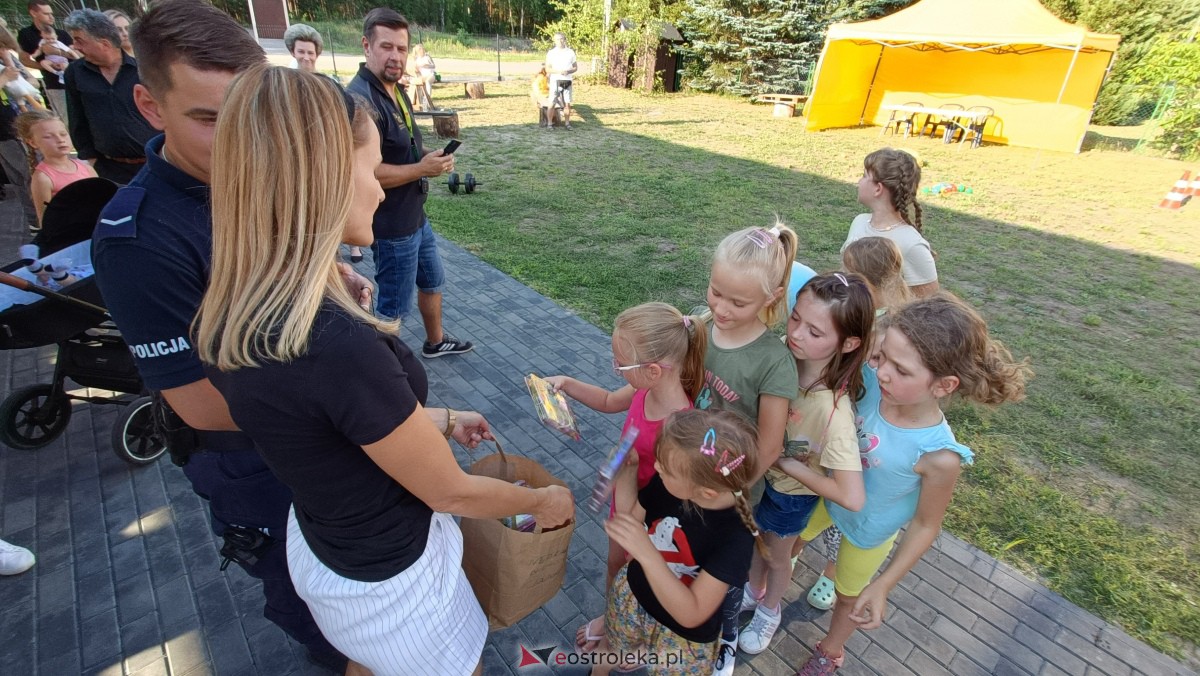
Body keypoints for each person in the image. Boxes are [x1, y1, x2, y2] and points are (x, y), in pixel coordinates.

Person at [195, 64, 575, 675]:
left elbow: (331, 425)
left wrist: (441, 418)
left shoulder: (241, 307)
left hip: (327, 550)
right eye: (369, 172)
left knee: (369, 660)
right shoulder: (334, 344)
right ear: (318, 182)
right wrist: (544, 499)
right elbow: (449, 491)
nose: (380, 189)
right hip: (394, 575)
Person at [91, 1, 347, 670]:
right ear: (149, 105)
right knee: (328, 623)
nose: (239, 141)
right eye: (208, 120)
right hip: (259, 467)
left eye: (249, 116)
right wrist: (361, 411)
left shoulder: (251, 176)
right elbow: (200, 403)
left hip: (328, 438)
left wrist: (333, 282)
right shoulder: (138, 239)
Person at [792, 293, 1030, 675]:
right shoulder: (871, 379)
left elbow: (925, 525)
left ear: (943, 385)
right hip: (824, 494)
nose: (882, 371)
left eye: (901, 371)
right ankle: (769, 597)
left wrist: (884, 584)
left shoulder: (939, 455)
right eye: (881, 357)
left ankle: (831, 650)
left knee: (847, 598)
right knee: (789, 540)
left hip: (869, 532)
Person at [543, 302, 707, 653]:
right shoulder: (643, 389)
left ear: (652, 370)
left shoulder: (680, 426)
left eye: (620, 363)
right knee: (614, 564)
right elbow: (605, 399)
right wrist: (567, 383)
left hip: (649, 520)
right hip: (624, 501)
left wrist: (629, 472)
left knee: (636, 579)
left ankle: (623, 636)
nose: (616, 369)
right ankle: (611, 617)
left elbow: (676, 495)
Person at [737, 272, 873, 655]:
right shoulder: (782, 352)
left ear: (848, 343)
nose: (795, 334)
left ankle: (768, 610)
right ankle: (753, 590)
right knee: (756, 543)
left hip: (789, 495)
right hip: (760, 480)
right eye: (795, 318)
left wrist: (784, 464)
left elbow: (852, 496)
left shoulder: (834, 413)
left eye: (815, 332)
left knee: (777, 557)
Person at [697, 221, 799, 676]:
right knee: (688, 554)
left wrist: (730, 491)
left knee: (727, 576)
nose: (720, 307)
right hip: (690, 471)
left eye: (738, 302)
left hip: (735, 495)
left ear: (772, 298)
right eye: (716, 291)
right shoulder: (701, 325)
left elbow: (771, 444)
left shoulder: (773, 362)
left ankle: (725, 643)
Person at [589, 408, 763, 675]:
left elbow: (692, 613)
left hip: (683, 638)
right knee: (610, 647)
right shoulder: (667, 485)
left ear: (705, 491)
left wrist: (647, 554)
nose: (656, 467)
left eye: (665, 467)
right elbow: (631, 523)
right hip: (634, 598)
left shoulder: (735, 537)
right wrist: (627, 473)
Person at [348, 8, 474, 358]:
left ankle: (435, 342)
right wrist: (421, 169)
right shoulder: (361, 101)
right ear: (366, 46)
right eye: (386, 47)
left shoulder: (396, 89)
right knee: (392, 307)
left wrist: (430, 156)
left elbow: (405, 146)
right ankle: (383, 370)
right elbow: (366, 172)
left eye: (402, 49)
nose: (396, 56)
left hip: (416, 217)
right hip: (391, 227)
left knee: (433, 282)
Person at [284, 22, 363, 265]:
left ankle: (346, 248)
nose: (306, 57)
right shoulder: (284, 83)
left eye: (310, 52)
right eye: (301, 51)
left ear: (317, 54)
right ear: (293, 51)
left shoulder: (327, 83)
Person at [62, 9, 155, 185]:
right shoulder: (75, 73)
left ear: (104, 43)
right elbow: (77, 118)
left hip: (152, 164)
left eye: (79, 40)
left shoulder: (144, 69)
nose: (75, 46)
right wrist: (90, 160)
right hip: (108, 170)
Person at [842, 148, 939, 297]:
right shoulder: (859, 222)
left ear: (878, 189)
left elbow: (927, 303)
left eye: (864, 176)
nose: (859, 181)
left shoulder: (911, 244)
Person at [16, 109, 97, 225]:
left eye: (63, 134)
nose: (60, 140)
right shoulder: (43, 178)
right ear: (33, 143)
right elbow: (45, 220)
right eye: (49, 137)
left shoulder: (86, 167)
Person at [17, 1, 76, 123]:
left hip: (74, 79)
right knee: (64, 119)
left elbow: (79, 56)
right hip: (54, 83)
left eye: (51, 13)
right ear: (34, 13)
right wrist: (46, 66)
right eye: (46, 13)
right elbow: (24, 60)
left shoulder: (61, 34)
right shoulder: (26, 34)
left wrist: (57, 52)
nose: (51, 17)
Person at [0, 64, 39, 235]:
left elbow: (33, 83)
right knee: (26, 176)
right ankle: (37, 222)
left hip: (20, 127)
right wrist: (4, 79)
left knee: (30, 175)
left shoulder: (6, 62)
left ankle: (39, 221)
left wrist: (20, 79)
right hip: (6, 134)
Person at [0, 25, 43, 111]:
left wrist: (23, 87)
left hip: (22, 110)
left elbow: (33, 81)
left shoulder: (8, 56)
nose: (3, 50)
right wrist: (5, 78)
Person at [545, 32, 576, 129]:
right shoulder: (551, 53)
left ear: (565, 39)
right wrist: (559, 71)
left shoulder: (570, 52)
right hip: (555, 80)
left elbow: (575, 67)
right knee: (552, 102)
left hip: (566, 81)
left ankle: (567, 123)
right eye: (558, 39)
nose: (560, 41)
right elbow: (547, 69)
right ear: (554, 41)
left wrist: (568, 71)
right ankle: (549, 123)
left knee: (567, 103)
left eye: (562, 39)